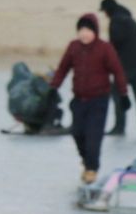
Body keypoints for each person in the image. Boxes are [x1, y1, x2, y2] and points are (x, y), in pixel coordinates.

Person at [49, 13, 130, 185]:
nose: (84, 34)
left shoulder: (104, 48)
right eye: (81, 30)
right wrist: (53, 88)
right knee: (78, 133)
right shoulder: (73, 47)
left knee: (94, 136)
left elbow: (117, 71)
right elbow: (63, 68)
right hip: (79, 100)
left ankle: (92, 169)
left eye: (88, 30)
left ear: (95, 32)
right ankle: (87, 161)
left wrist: (123, 94)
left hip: (98, 100)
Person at [100, 0, 136, 137]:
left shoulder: (116, 22)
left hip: (125, 67)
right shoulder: (130, 20)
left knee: (118, 95)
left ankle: (119, 126)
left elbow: (114, 45)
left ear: (108, 10)